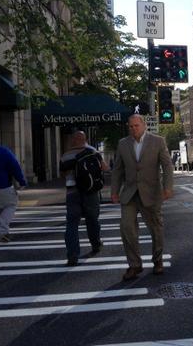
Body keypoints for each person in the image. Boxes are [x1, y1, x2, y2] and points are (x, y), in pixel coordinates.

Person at [111, 114, 174, 281]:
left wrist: (168, 187)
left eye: (136, 126)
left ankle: (158, 261)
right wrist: (114, 191)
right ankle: (134, 265)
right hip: (130, 193)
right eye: (130, 126)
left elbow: (167, 165)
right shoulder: (123, 144)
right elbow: (117, 169)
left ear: (144, 125)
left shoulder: (158, 141)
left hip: (152, 193)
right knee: (127, 228)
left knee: (156, 229)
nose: (133, 129)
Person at [59, 131, 108, 267]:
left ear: (73, 141)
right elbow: (105, 167)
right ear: (85, 140)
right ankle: (96, 244)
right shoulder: (92, 151)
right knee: (92, 219)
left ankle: (73, 255)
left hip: (72, 192)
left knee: (72, 224)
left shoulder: (65, 155)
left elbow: (62, 174)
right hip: (90, 192)